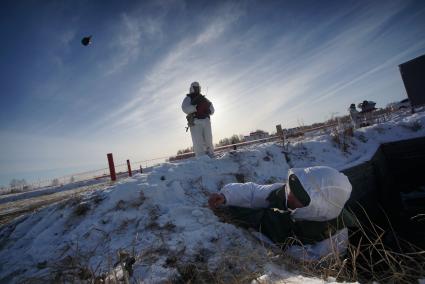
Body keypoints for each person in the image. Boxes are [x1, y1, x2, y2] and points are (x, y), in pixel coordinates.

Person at [208, 166, 355, 261]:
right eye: (291, 189)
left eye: (298, 196)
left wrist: (264, 244)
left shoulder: (336, 234)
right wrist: (226, 195)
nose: (289, 195)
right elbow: (254, 193)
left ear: (317, 206)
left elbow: (309, 264)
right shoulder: (286, 192)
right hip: (268, 228)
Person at [182, 82, 215, 157]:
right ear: (192, 88)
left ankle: (211, 154)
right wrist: (195, 108)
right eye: (195, 88)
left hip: (206, 121)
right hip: (195, 122)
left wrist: (209, 111)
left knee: (208, 139)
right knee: (198, 141)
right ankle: (201, 158)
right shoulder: (188, 98)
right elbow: (184, 108)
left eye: (198, 88)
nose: (197, 89)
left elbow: (211, 107)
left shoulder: (203, 98)